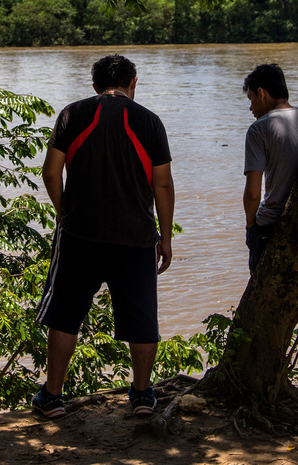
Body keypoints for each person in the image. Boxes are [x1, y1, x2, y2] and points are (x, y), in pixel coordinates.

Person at [33, 54, 175, 420]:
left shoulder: (72, 114)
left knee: (65, 315)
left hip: (81, 233)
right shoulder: (150, 122)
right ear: (134, 82)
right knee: (141, 318)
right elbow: (162, 183)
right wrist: (166, 237)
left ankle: (52, 397)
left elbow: (51, 173)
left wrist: (64, 213)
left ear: (95, 86)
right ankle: (143, 395)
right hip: (137, 236)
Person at [241, 63, 298, 273]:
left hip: (271, 226)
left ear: (262, 93)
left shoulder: (259, 129)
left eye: (251, 99)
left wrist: (250, 225)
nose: (251, 108)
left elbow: (253, 193)